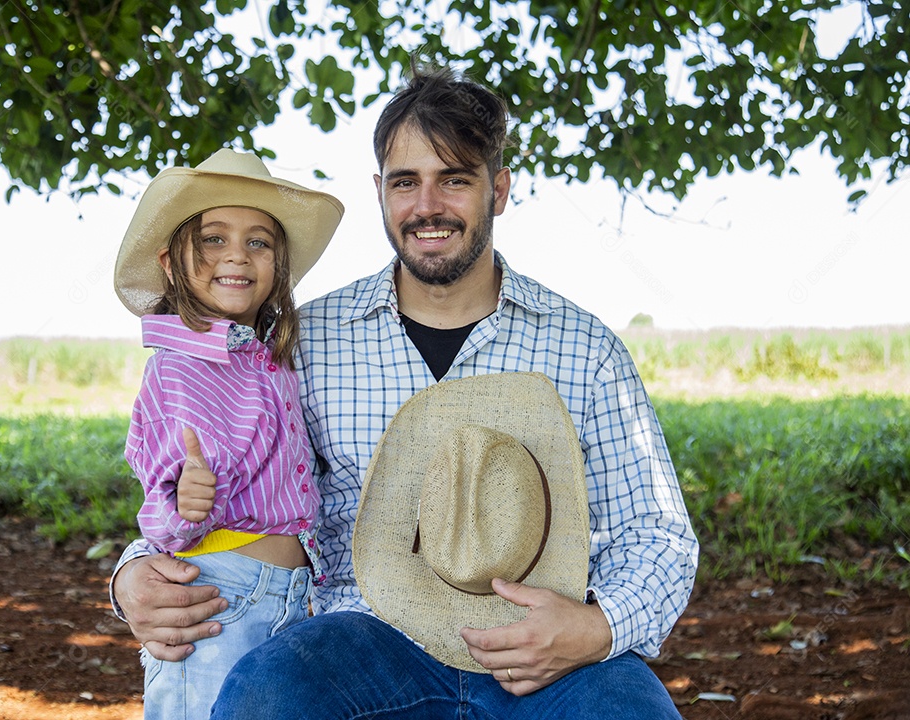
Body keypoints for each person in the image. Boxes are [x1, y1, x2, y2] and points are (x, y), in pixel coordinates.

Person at [111, 65, 699, 719]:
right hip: (360, 644)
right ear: (381, 193)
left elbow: (657, 532)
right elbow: (223, 471)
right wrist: (134, 572)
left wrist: (594, 629)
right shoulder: (301, 343)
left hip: (548, 654)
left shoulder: (586, 350)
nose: (427, 206)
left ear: (498, 189)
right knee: (266, 695)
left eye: (455, 179)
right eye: (406, 182)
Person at [112, 148, 344, 718]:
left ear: (278, 264)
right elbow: (163, 505)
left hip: (288, 598)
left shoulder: (264, 357)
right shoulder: (178, 365)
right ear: (170, 261)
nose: (236, 255)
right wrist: (185, 501)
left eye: (258, 241)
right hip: (221, 593)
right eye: (213, 239)